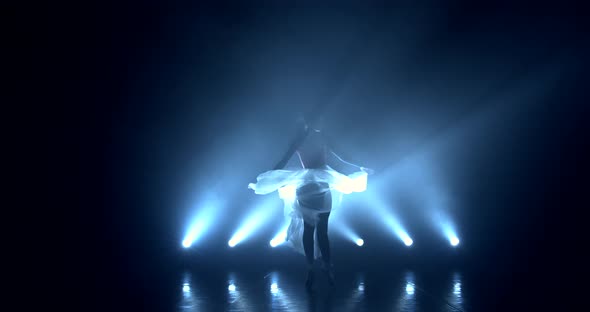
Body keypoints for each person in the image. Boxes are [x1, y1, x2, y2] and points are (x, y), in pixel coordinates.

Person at [248, 113, 372, 291]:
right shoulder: (317, 137)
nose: (321, 122)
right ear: (311, 122)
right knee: (321, 231)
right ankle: (322, 267)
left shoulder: (303, 139)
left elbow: (283, 161)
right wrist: (360, 166)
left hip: (310, 184)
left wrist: (270, 176)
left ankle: (314, 267)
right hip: (315, 184)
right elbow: (342, 156)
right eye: (319, 120)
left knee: (312, 230)